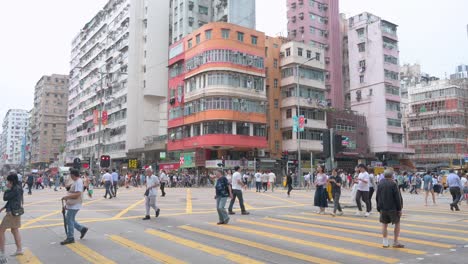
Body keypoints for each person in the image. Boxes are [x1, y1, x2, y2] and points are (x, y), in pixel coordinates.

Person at [376, 169, 404, 248]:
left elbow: (377, 197)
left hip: (383, 208)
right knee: (397, 223)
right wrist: (399, 209)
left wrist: (379, 208)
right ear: (392, 176)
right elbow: (397, 198)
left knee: (384, 225)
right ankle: (395, 242)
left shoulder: (380, 184)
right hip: (393, 208)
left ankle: (385, 242)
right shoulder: (393, 184)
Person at [60, 169, 88, 245]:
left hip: (75, 205)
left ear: (72, 175)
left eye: (70, 175)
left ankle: (70, 237)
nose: (70, 177)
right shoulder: (76, 181)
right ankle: (82, 229)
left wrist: (67, 197)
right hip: (72, 204)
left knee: (69, 220)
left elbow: (78, 194)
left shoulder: (78, 182)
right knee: (69, 219)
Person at [0, 173, 24, 259]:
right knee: (14, 230)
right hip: (16, 212)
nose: (7, 183)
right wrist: (3, 208)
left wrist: (6, 188)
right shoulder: (18, 188)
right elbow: (12, 200)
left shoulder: (14, 189)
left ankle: (2, 253)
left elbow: (5, 198)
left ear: (11, 181)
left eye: (8, 181)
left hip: (11, 214)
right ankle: (19, 250)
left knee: (1, 230)